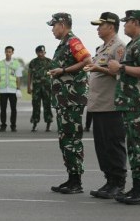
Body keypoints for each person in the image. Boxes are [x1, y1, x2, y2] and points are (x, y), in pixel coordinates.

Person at [108, 10, 140, 205]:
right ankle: (136, 188)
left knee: (139, 147)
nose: (125, 25)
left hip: (139, 104)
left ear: (135, 22)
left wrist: (121, 67)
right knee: (134, 147)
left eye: (127, 21)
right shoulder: (133, 44)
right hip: (131, 104)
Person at [47, 12, 91, 194]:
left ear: (63, 25)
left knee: (72, 139)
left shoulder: (73, 42)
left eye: (54, 25)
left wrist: (63, 70)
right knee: (65, 139)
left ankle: (76, 181)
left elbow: (88, 61)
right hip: (64, 100)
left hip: (72, 99)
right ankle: (72, 178)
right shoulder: (63, 43)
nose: (52, 29)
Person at [84, 12, 127, 199]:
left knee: (113, 145)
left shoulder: (119, 47)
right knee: (102, 147)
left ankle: (118, 183)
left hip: (111, 105)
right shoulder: (102, 48)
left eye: (101, 25)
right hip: (98, 105)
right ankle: (109, 181)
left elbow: (121, 73)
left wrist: (97, 68)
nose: (98, 28)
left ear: (111, 26)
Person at [0, 46, 22, 132]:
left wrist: (18, 89)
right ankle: (3, 125)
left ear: (12, 52)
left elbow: (18, 77)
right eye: (7, 51)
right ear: (4, 52)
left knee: (13, 109)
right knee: (3, 109)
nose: (8, 53)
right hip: (3, 90)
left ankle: (13, 125)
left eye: (10, 52)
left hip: (13, 90)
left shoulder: (16, 64)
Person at [27, 45, 53, 132]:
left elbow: (54, 74)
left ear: (45, 52)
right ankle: (34, 124)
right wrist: (28, 86)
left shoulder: (50, 62)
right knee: (35, 106)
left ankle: (48, 124)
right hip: (36, 88)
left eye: (43, 52)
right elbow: (29, 75)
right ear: (36, 53)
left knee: (47, 105)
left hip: (47, 87)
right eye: (39, 52)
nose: (41, 54)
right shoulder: (33, 62)